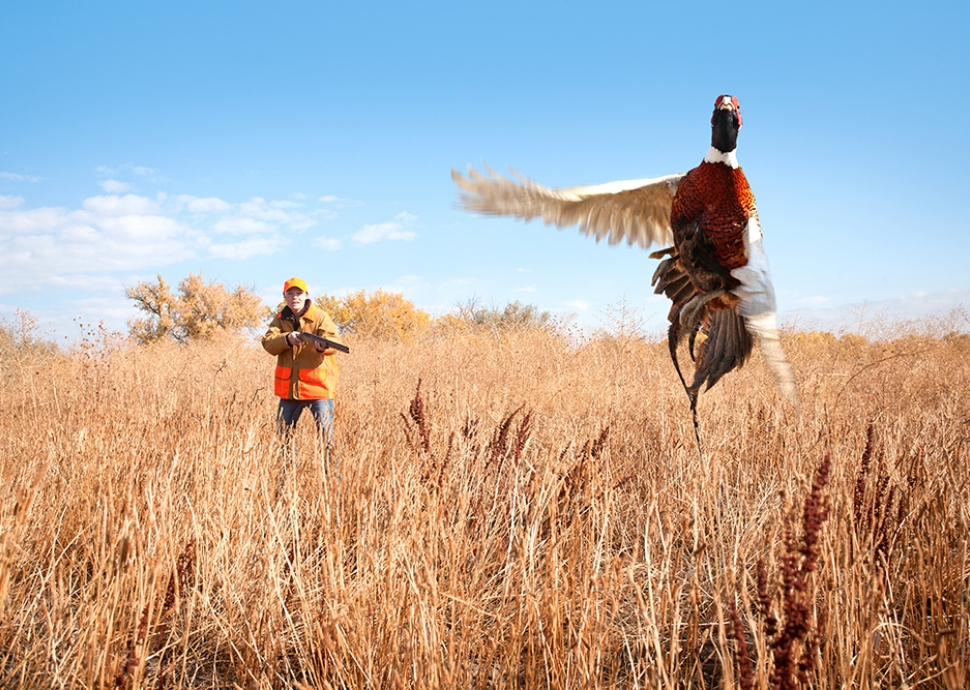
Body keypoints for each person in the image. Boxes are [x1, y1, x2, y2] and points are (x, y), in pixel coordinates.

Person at [261, 277, 343, 463]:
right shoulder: (280, 319)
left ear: (306, 295)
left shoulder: (320, 316)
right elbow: (268, 343)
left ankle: (333, 481)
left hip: (319, 389)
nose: (294, 297)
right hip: (289, 391)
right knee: (284, 438)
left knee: (327, 440)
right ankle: (287, 480)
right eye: (290, 294)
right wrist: (287, 339)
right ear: (284, 296)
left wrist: (323, 346)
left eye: (298, 293)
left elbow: (335, 342)